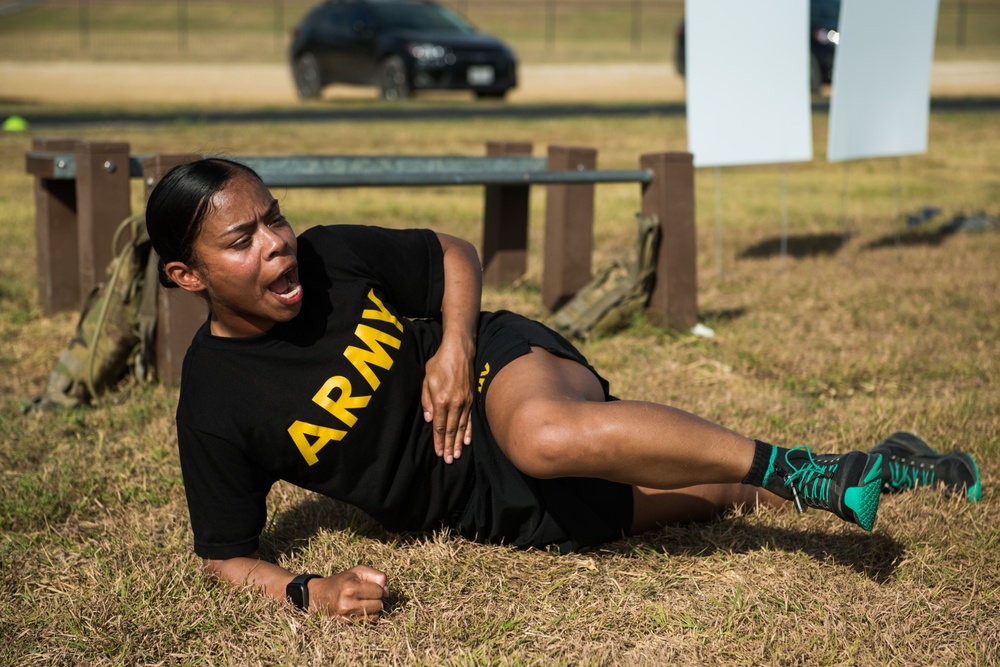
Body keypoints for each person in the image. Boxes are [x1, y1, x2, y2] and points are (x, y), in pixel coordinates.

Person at [144, 158, 981, 622]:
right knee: (718, 494)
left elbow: (451, 252)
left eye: (275, 219)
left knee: (546, 435)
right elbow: (224, 556)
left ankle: (808, 472)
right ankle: (892, 465)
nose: (279, 247)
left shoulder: (333, 256)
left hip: (499, 370)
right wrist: (308, 590)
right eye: (243, 239)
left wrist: (456, 341)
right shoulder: (215, 403)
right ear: (188, 274)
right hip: (479, 502)